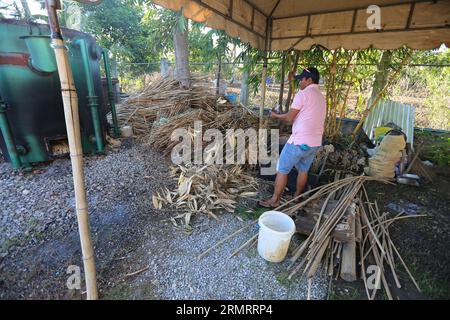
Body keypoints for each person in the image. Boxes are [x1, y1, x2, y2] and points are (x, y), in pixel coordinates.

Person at [259, 67, 326, 208]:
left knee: (282, 169)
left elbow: (289, 117)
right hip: (314, 142)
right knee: (303, 170)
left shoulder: (303, 94)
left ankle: (275, 200)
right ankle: (297, 196)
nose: (300, 82)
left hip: (299, 141)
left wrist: (275, 115)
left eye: (301, 79)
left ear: (309, 80)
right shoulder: (321, 96)